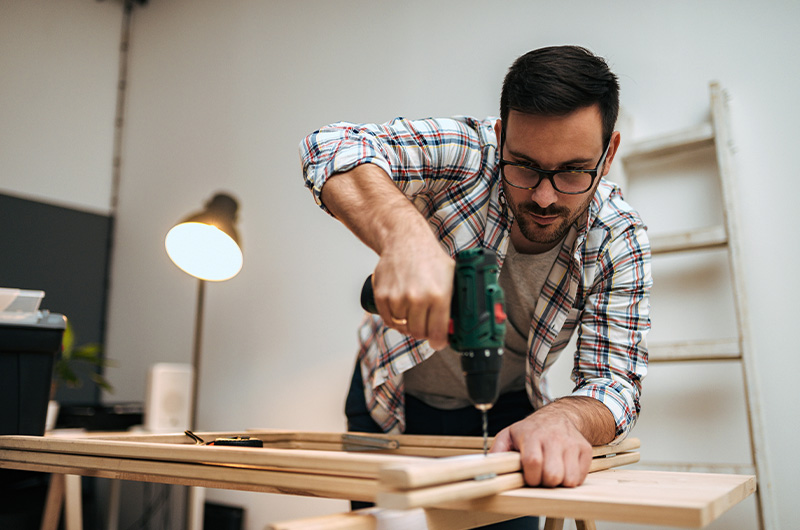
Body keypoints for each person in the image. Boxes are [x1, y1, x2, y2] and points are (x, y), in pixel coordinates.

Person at [299, 46, 651, 525]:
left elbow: (615, 382)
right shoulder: (468, 152)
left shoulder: (619, 237)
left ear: (608, 154)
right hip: (387, 402)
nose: (544, 197)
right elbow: (329, 145)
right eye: (524, 165)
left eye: (572, 171)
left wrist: (563, 418)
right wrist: (408, 241)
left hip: (510, 415)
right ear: (501, 136)